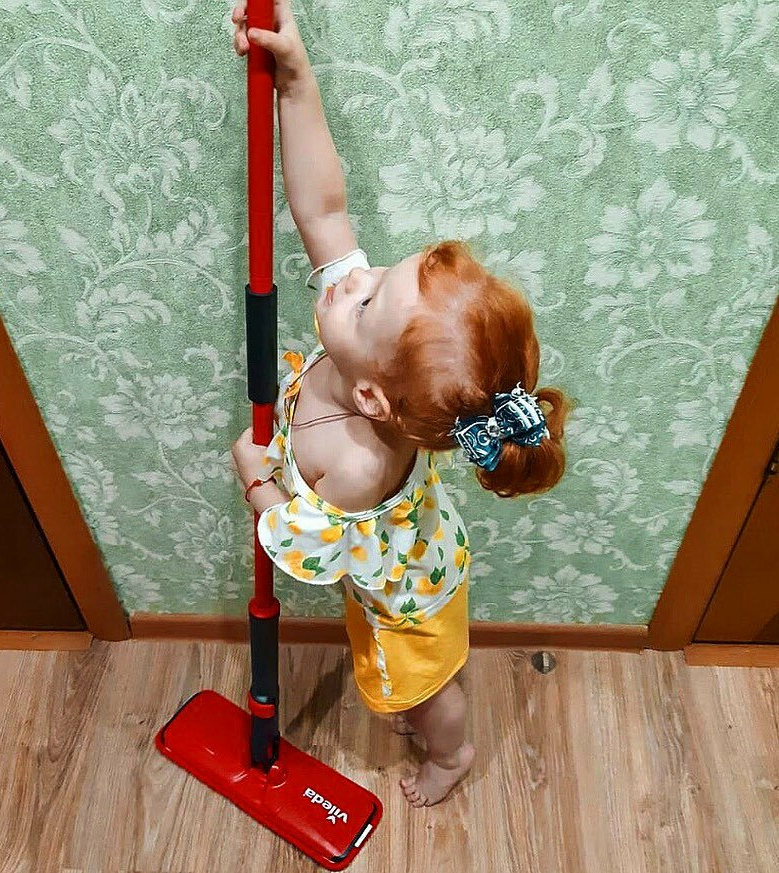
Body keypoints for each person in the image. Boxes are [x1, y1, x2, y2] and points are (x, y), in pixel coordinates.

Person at [230, 0, 569, 807]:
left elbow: (308, 548)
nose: (354, 275)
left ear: (371, 395)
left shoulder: (356, 463)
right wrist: (295, 79)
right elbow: (323, 207)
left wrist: (255, 478)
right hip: (401, 554)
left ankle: (453, 753)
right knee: (408, 685)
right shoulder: (366, 341)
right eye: (379, 273)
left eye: (368, 293)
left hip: (406, 598)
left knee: (416, 689)